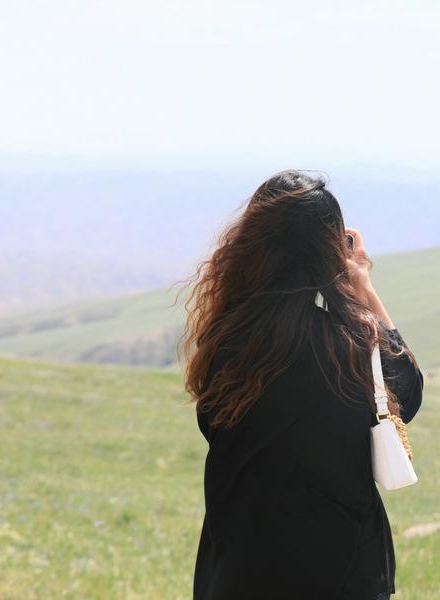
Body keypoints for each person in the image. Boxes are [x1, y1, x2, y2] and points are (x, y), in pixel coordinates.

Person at [179, 169, 425, 599]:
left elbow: (211, 426)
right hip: (342, 569)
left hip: (240, 568)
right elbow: (408, 392)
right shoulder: (351, 346)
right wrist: (363, 287)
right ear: (330, 250)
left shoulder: (226, 341)